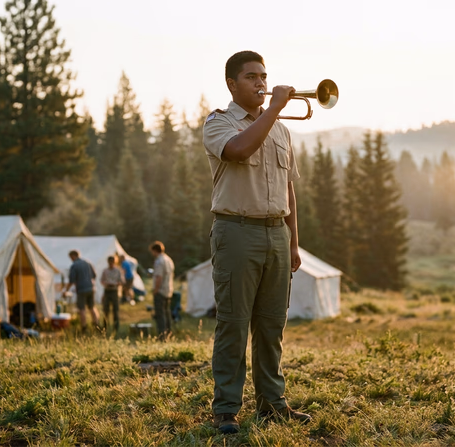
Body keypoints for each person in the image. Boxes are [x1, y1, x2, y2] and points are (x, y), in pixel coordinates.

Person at [202, 50, 311, 435]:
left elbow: (288, 190)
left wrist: (294, 242)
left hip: (276, 234)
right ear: (232, 84)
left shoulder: (280, 130)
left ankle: (272, 403)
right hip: (236, 231)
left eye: (264, 76)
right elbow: (239, 150)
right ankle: (226, 409)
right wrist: (274, 109)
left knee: (271, 324)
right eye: (251, 77)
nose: (261, 83)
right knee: (233, 323)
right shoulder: (219, 123)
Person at [64, 250, 100, 329]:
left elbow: (71, 281)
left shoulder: (74, 266)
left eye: (71, 257)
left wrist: (66, 290)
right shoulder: (88, 263)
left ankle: (84, 327)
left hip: (81, 289)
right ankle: (97, 324)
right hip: (91, 288)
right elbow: (94, 275)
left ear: (73, 256)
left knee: (81, 308)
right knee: (92, 307)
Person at [149, 241, 174, 341]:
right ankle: (168, 333)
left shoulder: (159, 261)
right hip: (169, 290)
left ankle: (162, 336)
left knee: (160, 314)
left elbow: (159, 277)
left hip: (161, 290)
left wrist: (156, 289)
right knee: (167, 313)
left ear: (155, 251)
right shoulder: (169, 259)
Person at [100, 255, 125, 330]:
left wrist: (116, 284)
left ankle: (116, 327)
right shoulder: (105, 271)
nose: (111, 263)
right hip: (107, 290)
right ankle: (105, 326)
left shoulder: (118, 271)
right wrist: (106, 283)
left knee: (115, 310)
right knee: (105, 309)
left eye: (112, 262)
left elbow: (122, 281)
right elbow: (102, 280)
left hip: (114, 291)